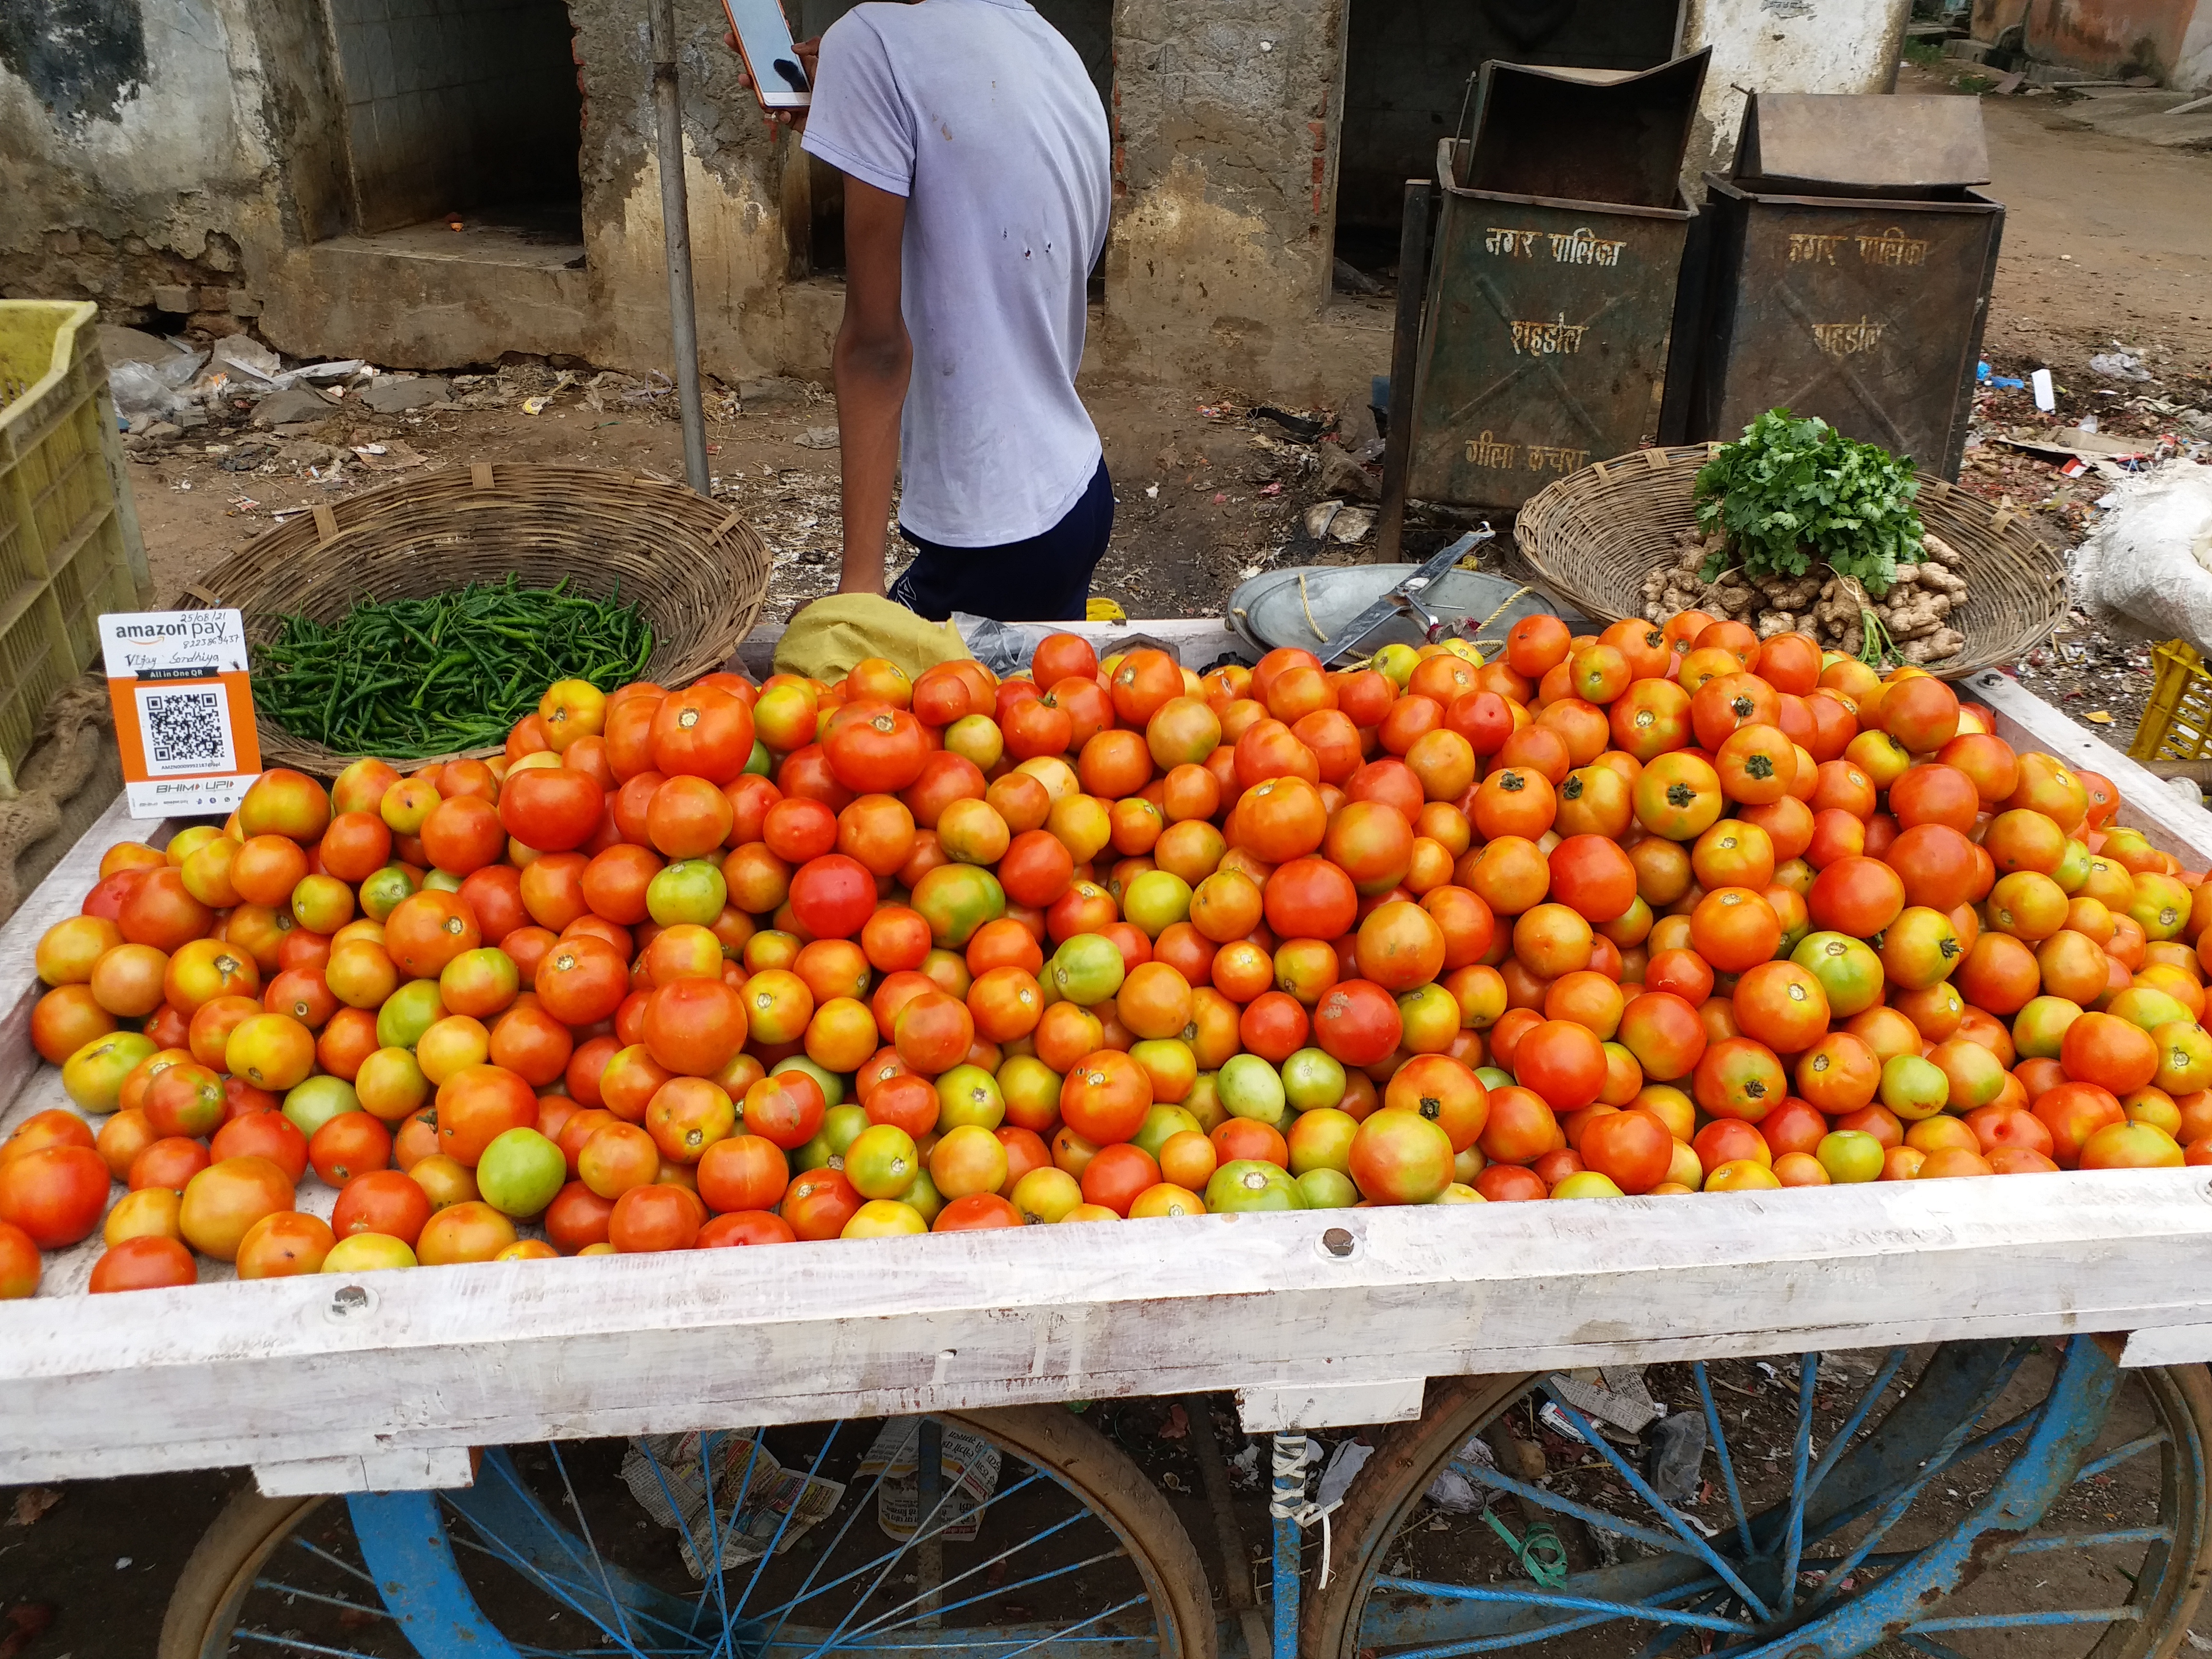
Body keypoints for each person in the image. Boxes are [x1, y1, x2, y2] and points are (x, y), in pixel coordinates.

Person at [731, 0, 1113, 621]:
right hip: (1075, 489)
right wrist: (855, 114)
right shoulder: (1047, 45)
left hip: (995, 534)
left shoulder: (870, 41)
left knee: (853, 689)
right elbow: (986, 205)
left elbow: (875, 350)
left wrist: (859, 591)